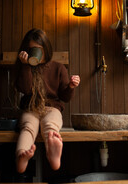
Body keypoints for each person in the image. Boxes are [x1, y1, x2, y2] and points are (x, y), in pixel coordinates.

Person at [14, 28, 80, 173]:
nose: (37, 53)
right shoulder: (23, 66)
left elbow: (65, 98)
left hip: (52, 108)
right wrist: (25, 66)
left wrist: (70, 86)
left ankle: (53, 154)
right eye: (32, 50)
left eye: (40, 49)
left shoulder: (58, 68)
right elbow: (24, 89)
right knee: (27, 127)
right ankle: (21, 156)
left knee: (51, 125)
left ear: (46, 48)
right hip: (30, 108)